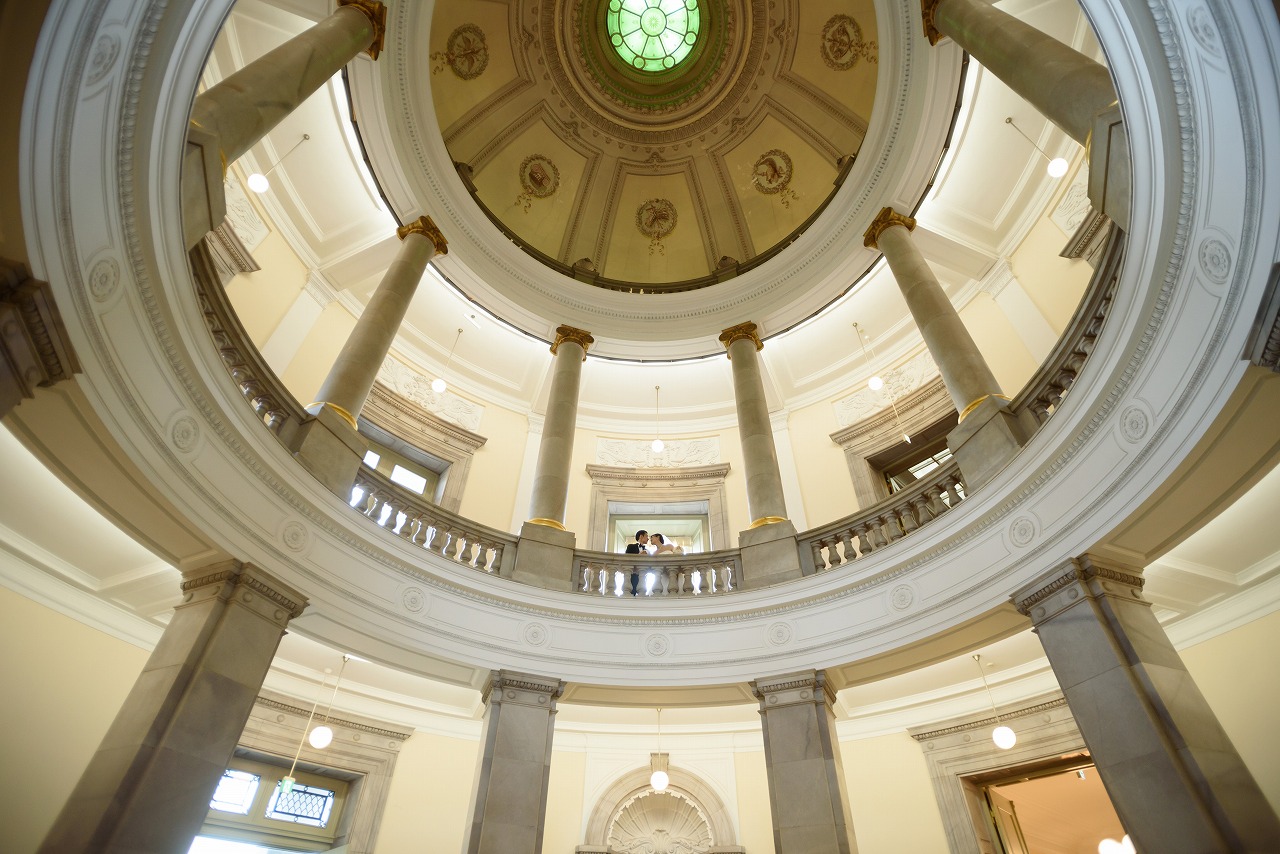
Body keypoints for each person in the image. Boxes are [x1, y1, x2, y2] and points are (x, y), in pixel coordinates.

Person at [624, 530, 648, 596]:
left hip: (643, 575)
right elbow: (626, 559)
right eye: (646, 536)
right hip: (633, 574)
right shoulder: (631, 546)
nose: (648, 538)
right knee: (631, 593)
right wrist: (639, 555)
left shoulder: (647, 550)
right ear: (641, 536)